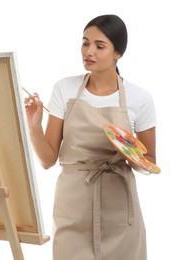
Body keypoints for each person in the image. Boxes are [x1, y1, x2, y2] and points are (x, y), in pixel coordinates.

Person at [25, 14, 157, 260]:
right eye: (85, 43)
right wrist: (34, 126)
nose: (89, 51)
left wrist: (131, 154)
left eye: (99, 45)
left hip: (119, 209)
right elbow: (47, 160)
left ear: (118, 52)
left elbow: (150, 162)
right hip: (73, 206)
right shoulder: (64, 89)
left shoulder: (140, 98)